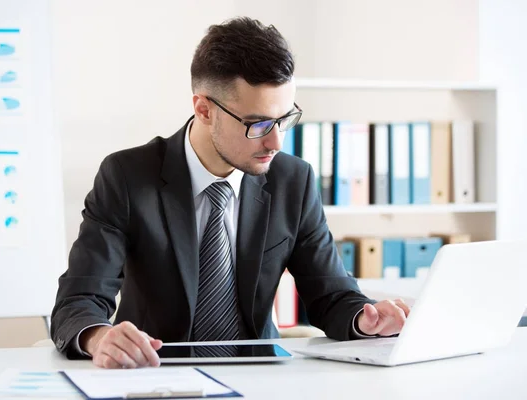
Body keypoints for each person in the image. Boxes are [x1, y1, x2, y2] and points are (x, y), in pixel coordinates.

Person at [51, 16, 410, 369]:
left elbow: (331, 295)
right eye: (258, 124)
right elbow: (78, 301)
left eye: (285, 119)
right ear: (204, 109)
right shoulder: (127, 177)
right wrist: (99, 337)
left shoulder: (293, 181)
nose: (276, 141)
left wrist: (367, 320)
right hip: (156, 375)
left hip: (263, 379)